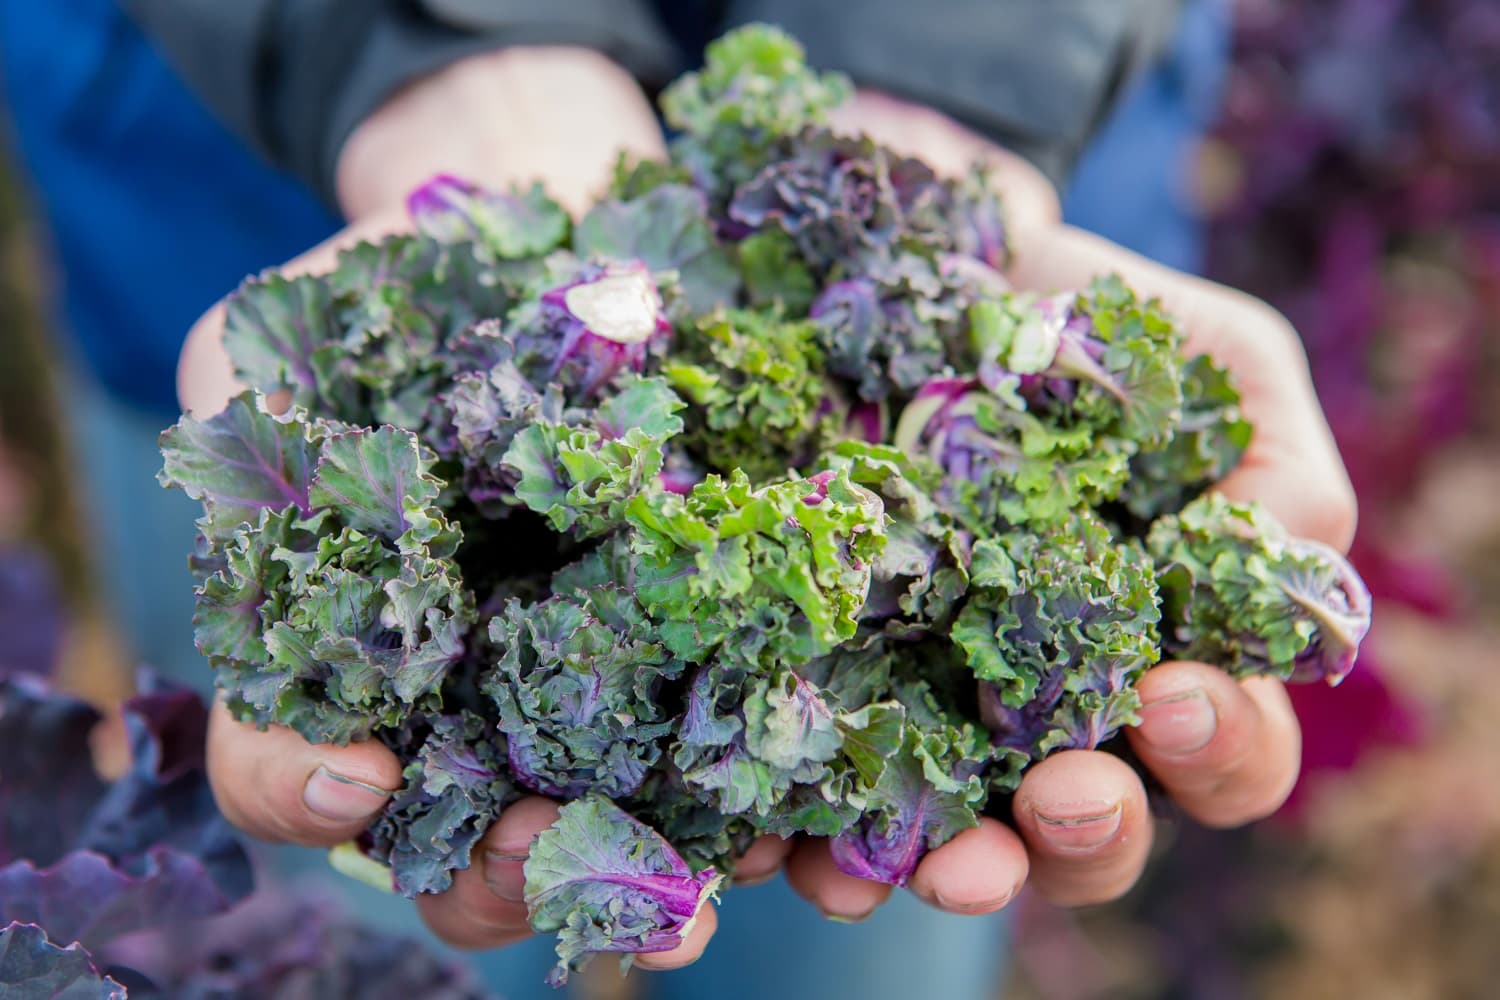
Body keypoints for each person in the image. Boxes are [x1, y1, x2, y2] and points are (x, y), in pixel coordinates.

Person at [0, 2, 1355, 997]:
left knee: (876, 907)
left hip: (1022, 85)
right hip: (239, 133)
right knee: (331, 835)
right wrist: (422, 52)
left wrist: (953, 88)